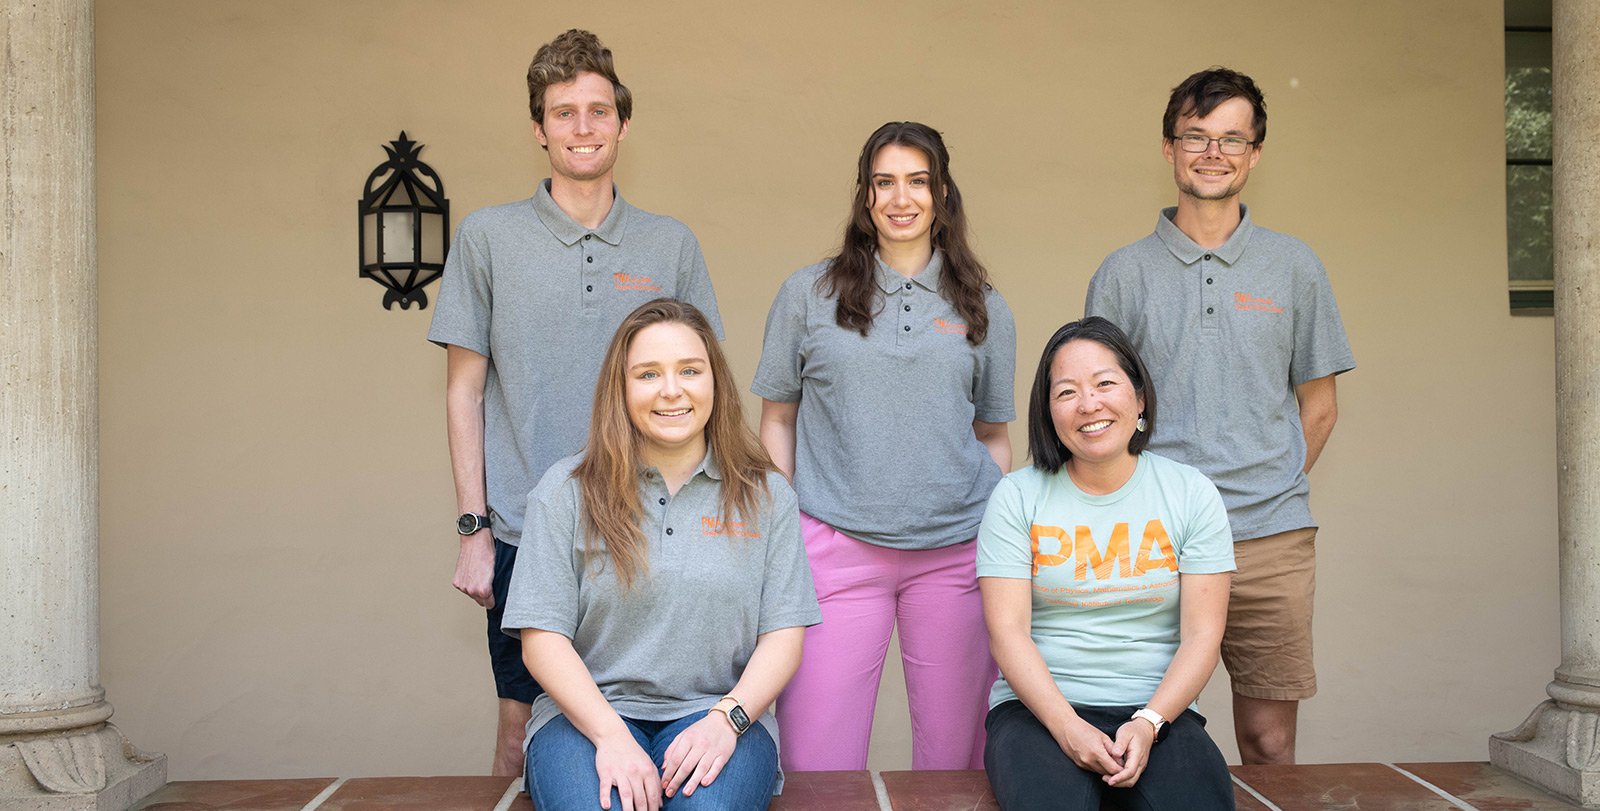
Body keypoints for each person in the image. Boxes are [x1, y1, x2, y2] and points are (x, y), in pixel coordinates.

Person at [427, 29, 723, 776]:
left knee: (654, 729)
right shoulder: (488, 238)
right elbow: (464, 390)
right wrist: (473, 529)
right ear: (539, 128)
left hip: (653, 528)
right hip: (527, 533)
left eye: (598, 111)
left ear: (623, 122)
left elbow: (705, 390)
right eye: (563, 113)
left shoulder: (671, 243)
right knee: (519, 733)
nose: (582, 127)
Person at [1085, 67, 1355, 765]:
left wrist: (1273, 485)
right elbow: (1098, 413)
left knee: (1270, 741)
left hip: (1271, 538)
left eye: (1232, 139)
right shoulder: (1122, 274)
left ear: (1255, 153)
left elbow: (1319, 406)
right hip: (1154, 541)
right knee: (1146, 738)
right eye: (1196, 136)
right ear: (1169, 148)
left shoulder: (1295, 267)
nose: (1214, 152)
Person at [753, 121, 1016, 770]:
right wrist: (787, 527)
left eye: (918, 182)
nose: (902, 198)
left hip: (955, 558)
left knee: (955, 769)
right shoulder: (808, 294)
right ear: (865, 195)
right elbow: (777, 419)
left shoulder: (984, 305)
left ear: (942, 193)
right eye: (885, 182)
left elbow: (993, 437)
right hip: (833, 551)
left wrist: (991, 537)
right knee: (817, 766)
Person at [501, 299, 821, 811]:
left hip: (719, 715)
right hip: (585, 719)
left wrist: (728, 720)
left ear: (715, 381)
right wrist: (610, 736)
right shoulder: (565, 492)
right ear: (621, 389)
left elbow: (783, 636)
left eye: (689, 370)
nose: (672, 390)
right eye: (648, 374)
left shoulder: (766, 494)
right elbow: (542, 641)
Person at [979, 316, 1236, 811]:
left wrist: (1149, 722)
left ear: (1139, 398)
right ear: (1048, 412)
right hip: (1038, 712)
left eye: (1104, 384)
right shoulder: (1016, 496)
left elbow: (1203, 634)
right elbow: (1007, 632)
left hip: (1159, 711)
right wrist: (1068, 727)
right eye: (1066, 392)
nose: (1088, 404)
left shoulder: (1190, 493)